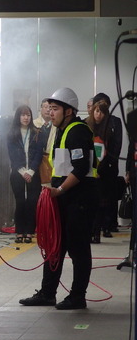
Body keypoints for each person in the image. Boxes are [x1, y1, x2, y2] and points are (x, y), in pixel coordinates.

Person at [19, 87, 99, 310]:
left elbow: (82, 167)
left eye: (55, 109)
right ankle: (47, 293)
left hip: (78, 199)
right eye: (49, 108)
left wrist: (60, 189)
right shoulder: (61, 131)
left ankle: (77, 296)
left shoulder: (77, 131)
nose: (50, 113)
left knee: (78, 248)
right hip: (63, 197)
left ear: (69, 111)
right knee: (55, 246)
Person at [86, 100, 121, 242]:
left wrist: (101, 169)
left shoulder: (109, 130)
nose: (97, 114)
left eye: (101, 111)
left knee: (101, 204)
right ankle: (89, 231)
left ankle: (97, 233)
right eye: (96, 111)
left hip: (104, 172)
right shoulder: (87, 127)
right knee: (89, 203)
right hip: (89, 171)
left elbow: (112, 152)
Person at [7, 105, 43, 243]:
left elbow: (39, 154)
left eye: (28, 115)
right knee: (20, 202)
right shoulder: (12, 134)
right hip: (17, 172)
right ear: (18, 116)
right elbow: (12, 156)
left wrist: (31, 171)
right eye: (23, 115)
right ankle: (19, 231)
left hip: (34, 172)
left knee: (32, 202)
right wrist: (23, 171)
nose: (26, 118)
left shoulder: (37, 132)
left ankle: (29, 232)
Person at [92, 92, 123, 232]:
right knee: (96, 198)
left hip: (110, 165)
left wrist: (109, 161)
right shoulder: (91, 123)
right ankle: (96, 226)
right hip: (94, 167)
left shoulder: (115, 121)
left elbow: (117, 144)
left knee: (110, 196)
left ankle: (109, 224)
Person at [34, 98, 56, 186]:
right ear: (41, 109)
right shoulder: (33, 124)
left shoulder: (57, 125)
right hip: (35, 161)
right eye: (45, 107)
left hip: (51, 161)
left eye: (50, 108)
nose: (48, 110)